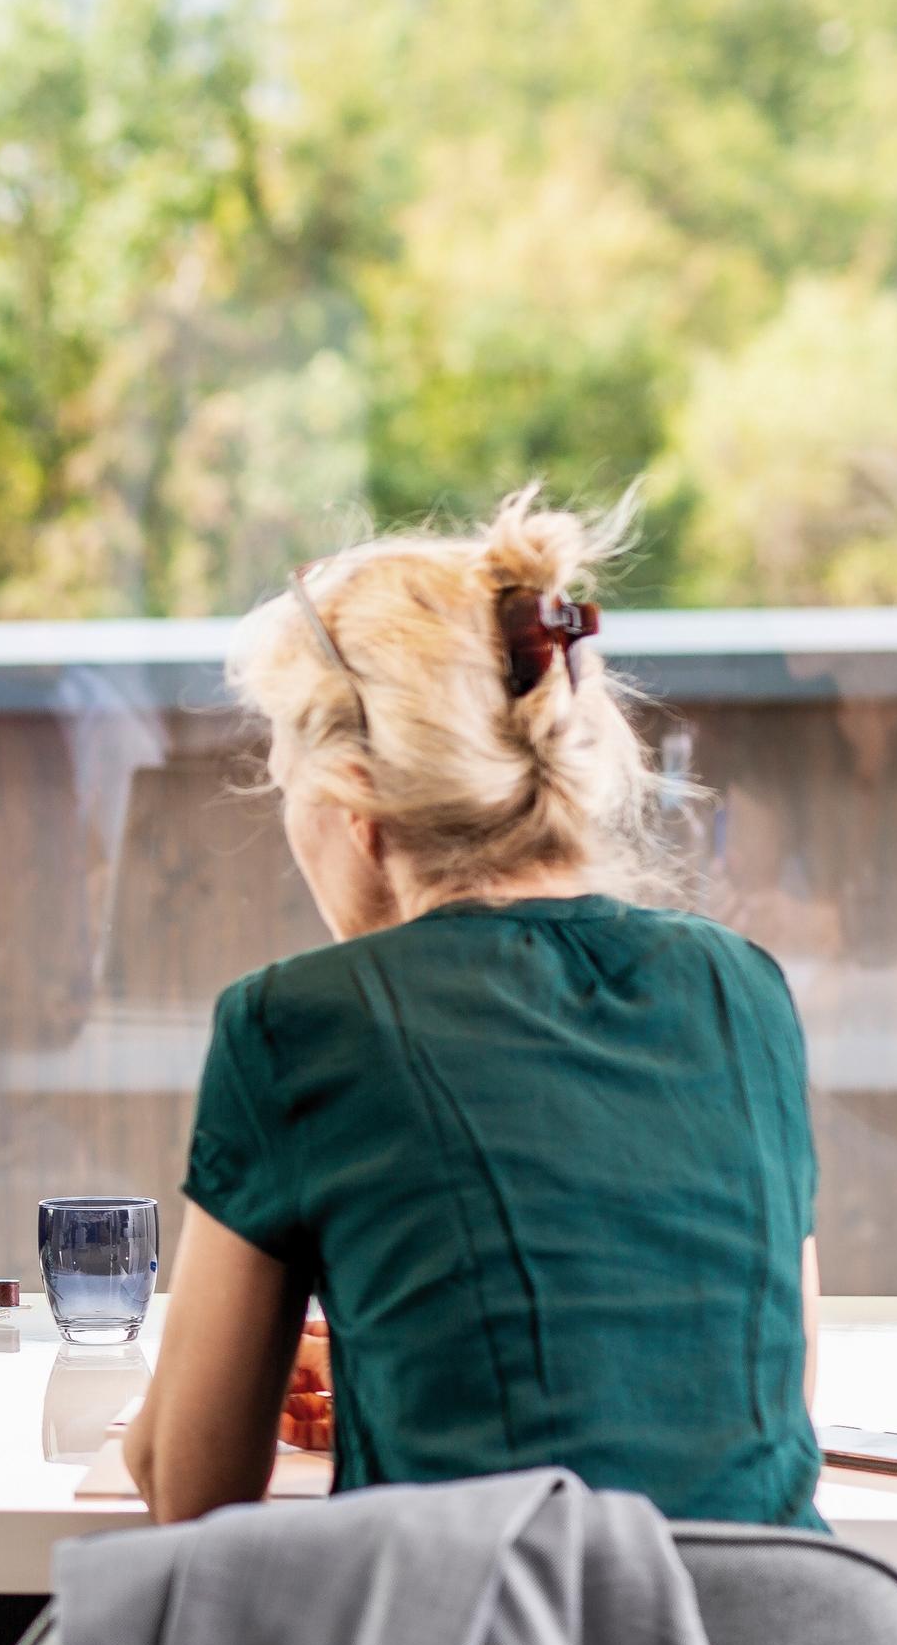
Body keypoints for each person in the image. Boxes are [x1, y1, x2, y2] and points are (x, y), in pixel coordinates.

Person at [128, 491, 825, 1530]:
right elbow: (772, 1405)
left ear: (352, 799)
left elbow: (192, 1495)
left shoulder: (299, 1022)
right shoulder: (744, 990)